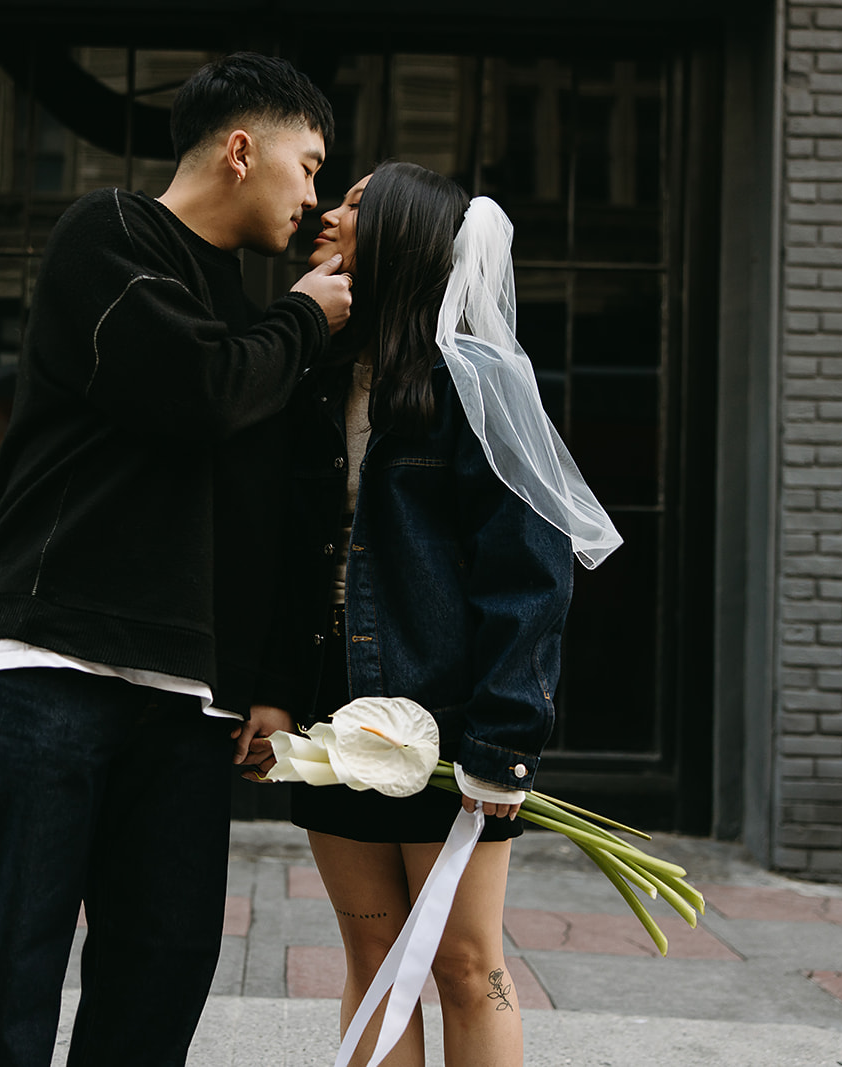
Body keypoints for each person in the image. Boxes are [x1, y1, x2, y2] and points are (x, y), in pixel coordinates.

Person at [0, 53, 352, 1067]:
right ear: (242, 149)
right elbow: (192, 391)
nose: (314, 194)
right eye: (308, 163)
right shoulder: (110, 234)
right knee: (1, 962)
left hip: (187, 700)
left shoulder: (254, 322)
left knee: (162, 966)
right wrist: (304, 316)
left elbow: (265, 520)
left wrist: (270, 685)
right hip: (50, 661)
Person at [247, 162, 621, 1066]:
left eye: (358, 207)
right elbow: (286, 554)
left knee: (462, 959)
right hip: (334, 711)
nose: (328, 212)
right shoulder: (319, 376)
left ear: (407, 236)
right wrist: (271, 693)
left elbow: (532, 580)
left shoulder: (479, 380)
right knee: (374, 956)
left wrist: (503, 744)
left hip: (451, 716)